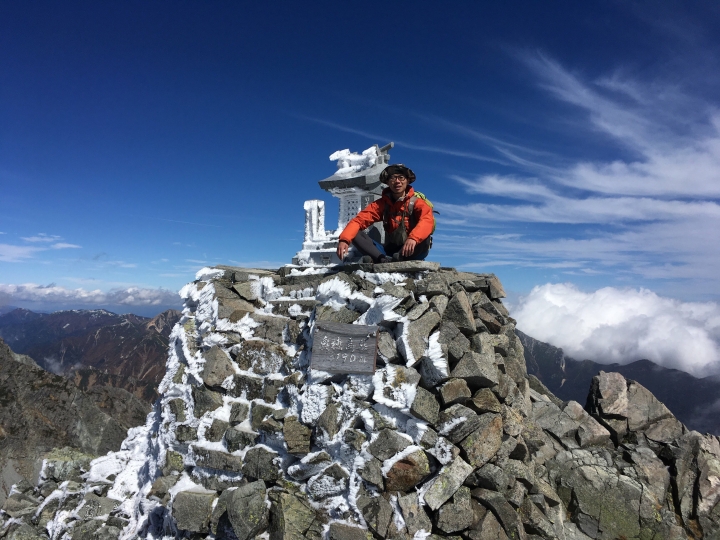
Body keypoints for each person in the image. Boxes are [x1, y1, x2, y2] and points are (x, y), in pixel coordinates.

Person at [336, 164, 434, 263]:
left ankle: (394, 258)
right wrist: (344, 240)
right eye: (392, 178)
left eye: (401, 178)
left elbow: (427, 220)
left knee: (425, 236)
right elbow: (359, 220)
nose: (397, 181)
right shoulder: (382, 204)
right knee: (355, 234)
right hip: (391, 251)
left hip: (413, 249)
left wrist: (413, 238)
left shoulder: (417, 203)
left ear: (407, 181)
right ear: (387, 182)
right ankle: (383, 259)